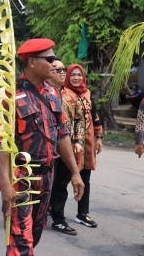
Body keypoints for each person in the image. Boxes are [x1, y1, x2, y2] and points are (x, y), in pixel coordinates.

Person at [0, 38, 84, 256]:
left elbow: (62, 134)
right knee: (20, 238)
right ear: (32, 62)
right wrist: (6, 184)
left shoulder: (54, 93)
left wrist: (75, 173)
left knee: (34, 235)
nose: (55, 64)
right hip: (21, 177)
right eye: (50, 59)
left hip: (47, 176)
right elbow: (4, 145)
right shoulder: (10, 95)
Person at [62, 64, 103, 229]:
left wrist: (99, 137)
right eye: (73, 75)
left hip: (86, 145)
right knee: (62, 179)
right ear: (67, 76)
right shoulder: (62, 92)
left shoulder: (87, 93)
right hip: (67, 143)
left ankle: (82, 213)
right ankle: (55, 211)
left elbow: (95, 116)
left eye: (79, 75)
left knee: (85, 178)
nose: (77, 78)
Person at [49, 59, 85, 236]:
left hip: (66, 147)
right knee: (43, 183)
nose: (62, 72)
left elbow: (80, 119)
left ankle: (58, 219)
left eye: (63, 69)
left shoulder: (71, 96)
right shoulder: (41, 93)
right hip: (44, 147)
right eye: (57, 69)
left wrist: (78, 141)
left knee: (61, 183)